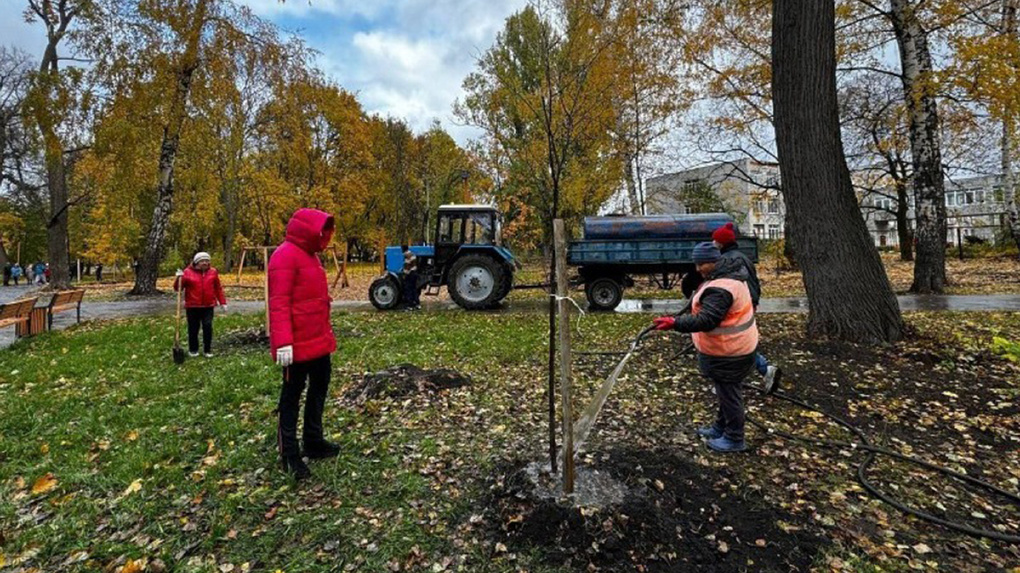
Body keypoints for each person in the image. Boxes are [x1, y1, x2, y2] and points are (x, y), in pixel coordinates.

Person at [653, 242, 758, 453]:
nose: (698, 269)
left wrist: (675, 323)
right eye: (696, 263)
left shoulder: (722, 288)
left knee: (729, 394)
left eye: (702, 264)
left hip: (730, 352)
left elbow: (707, 320)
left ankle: (735, 438)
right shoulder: (727, 277)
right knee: (725, 392)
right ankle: (721, 427)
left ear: (714, 261)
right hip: (734, 348)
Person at [268, 208, 340, 480]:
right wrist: (283, 342)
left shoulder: (312, 257)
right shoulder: (284, 256)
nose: (324, 234)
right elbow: (278, 303)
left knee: (319, 389)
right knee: (291, 397)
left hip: (319, 341)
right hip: (296, 346)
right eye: (321, 229)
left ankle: (313, 439)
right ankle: (288, 454)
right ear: (308, 228)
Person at [711, 222, 782, 391]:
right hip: (747, 304)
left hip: (738, 306)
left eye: (715, 240)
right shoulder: (742, 257)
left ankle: (730, 381)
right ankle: (763, 370)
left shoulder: (728, 260)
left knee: (730, 344)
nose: (713, 243)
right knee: (738, 343)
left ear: (721, 243)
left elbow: (729, 287)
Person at [173, 252, 227, 358]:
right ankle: (193, 350)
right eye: (202, 261)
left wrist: (223, 302)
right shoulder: (187, 272)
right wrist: (179, 278)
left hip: (208, 305)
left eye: (207, 261)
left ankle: (207, 350)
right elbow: (177, 288)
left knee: (207, 327)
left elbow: (218, 288)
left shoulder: (213, 272)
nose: (205, 263)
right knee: (193, 328)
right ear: (196, 262)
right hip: (192, 306)